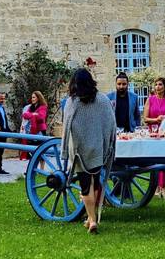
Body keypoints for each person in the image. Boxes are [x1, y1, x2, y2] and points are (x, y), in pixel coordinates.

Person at [62, 68, 116, 234]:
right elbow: (110, 124)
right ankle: (90, 219)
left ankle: (92, 219)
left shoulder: (72, 102)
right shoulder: (103, 99)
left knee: (86, 186)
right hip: (97, 148)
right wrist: (108, 144)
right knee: (96, 182)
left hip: (80, 151)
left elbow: (66, 126)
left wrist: (65, 149)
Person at [143, 77, 165, 199]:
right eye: (156, 84)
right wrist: (156, 119)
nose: (157, 87)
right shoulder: (150, 100)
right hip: (154, 134)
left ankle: (164, 189)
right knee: (155, 161)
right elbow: (145, 118)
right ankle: (156, 188)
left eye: (160, 84)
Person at [19, 91, 48, 161]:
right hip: (31, 131)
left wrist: (32, 115)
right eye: (32, 97)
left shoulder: (43, 107)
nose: (32, 99)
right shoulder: (31, 107)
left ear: (38, 98)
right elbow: (25, 115)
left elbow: (41, 117)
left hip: (40, 131)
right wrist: (34, 114)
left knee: (40, 151)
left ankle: (41, 169)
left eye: (34, 97)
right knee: (32, 151)